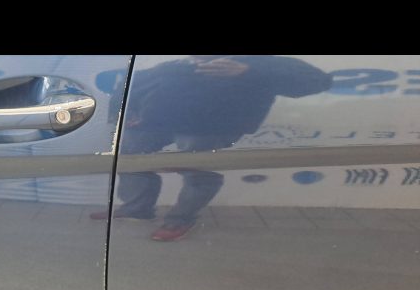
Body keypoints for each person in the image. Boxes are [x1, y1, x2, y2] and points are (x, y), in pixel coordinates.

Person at [92, 55, 333, 241]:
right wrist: (124, 113)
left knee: (196, 170)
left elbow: (319, 81)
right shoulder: (179, 65)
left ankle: (181, 219)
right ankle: (137, 208)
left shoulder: (259, 62)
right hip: (156, 123)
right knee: (128, 157)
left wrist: (249, 71)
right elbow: (132, 83)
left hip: (209, 128)